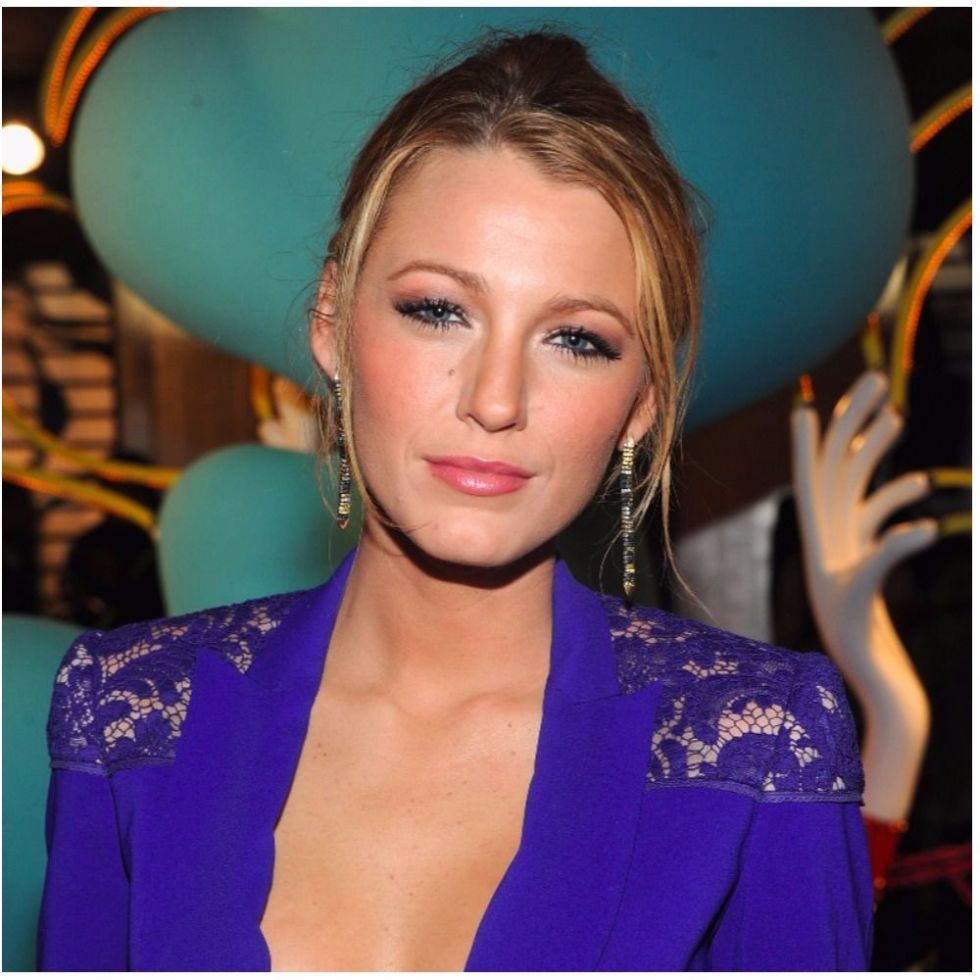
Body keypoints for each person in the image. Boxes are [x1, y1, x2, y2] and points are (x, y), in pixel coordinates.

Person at [37, 29, 873, 971]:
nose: (495, 399)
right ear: (331, 323)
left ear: (641, 403)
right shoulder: (130, 713)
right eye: (439, 311)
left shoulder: (759, 751)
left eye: (577, 339)